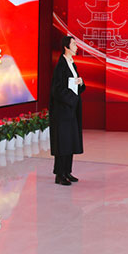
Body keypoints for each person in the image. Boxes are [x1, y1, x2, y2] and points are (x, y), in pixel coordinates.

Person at [50, 36, 86, 186]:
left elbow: (75, 86)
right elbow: (57, 90)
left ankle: (67, 171)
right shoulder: (61, 66)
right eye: (74, 44)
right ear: (66, 47)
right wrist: (72, 98)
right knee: (62, 142)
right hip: (62, 111)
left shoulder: (72, 64)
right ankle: (59, 174)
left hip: (71, 109)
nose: (76, 46)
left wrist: (81, 83)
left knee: (70, 141)